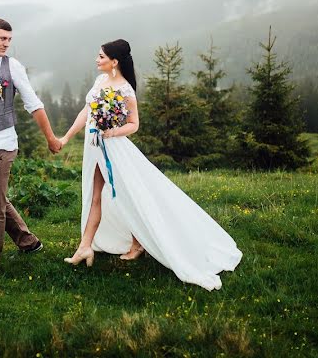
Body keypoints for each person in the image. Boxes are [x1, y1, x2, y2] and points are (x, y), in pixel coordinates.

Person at [58, 39, 242, 290]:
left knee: (129, 196)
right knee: (95, 196)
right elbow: (86, 112)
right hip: (94, 147)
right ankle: (85, 248)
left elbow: (134, 124)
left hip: (113, 148)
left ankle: (138, 242)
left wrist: (113, 131)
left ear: (115, 62)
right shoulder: (100, 82)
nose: (96, 60)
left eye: (101, 56)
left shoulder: (125, 90)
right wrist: (67, 137)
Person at [0, 18, 63, 282]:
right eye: (2, 38)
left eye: (9, 40)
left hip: (0, 146)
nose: (7, 44)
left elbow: (33, 104)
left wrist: (50, 138)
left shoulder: (13, 67)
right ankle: (29, 242)